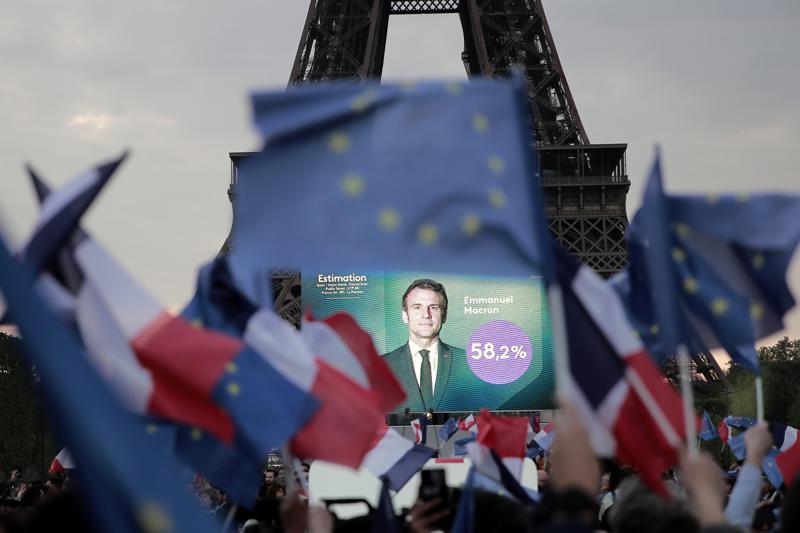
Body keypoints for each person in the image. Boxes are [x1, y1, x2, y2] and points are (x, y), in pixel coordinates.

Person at [382, 278, 470, 413]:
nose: (426, 314)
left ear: (444, 315)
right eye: (417, 307)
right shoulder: (381, 366)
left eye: (433, 308)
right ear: (405, 316)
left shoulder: (468, 363)